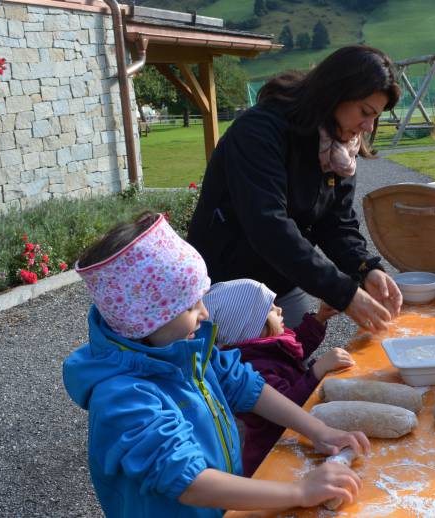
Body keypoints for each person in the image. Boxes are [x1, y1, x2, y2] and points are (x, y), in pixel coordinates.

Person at [62, 212, 370, 518]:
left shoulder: (186, 350)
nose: (205, 313)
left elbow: (244, 385)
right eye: (191, 306)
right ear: (146, 320)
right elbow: (188, 482)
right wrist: (299, 492)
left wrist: (318, 430)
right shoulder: (122, 397)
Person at [187, 45, 403, 333]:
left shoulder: (339, 150)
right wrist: (343, 292)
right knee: (241, 375)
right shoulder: (259, 131)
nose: (367, 126)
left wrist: (365, 268)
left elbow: (336, 223)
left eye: (375, 117)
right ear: (335, 92)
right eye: (365, 112)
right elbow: (268, 224)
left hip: (281, 282)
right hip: (228, 288)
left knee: (293, 366)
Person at [203, 279, 355, 477]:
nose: (280, 310)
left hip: (296, 435)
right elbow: (287, 404)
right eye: (271, 309)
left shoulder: (264, 344)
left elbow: (296, 347)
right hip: (273, 452)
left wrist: (319, 319)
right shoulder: (251, 366)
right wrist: (317, 370)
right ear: (251, 325)